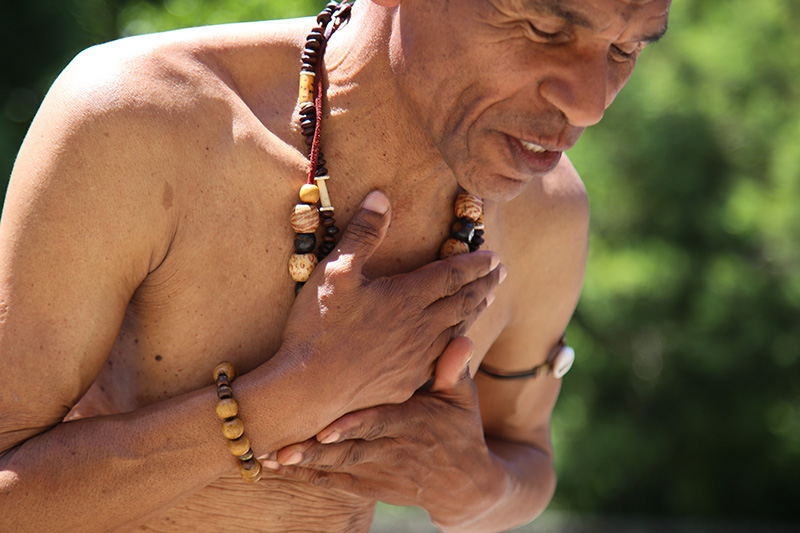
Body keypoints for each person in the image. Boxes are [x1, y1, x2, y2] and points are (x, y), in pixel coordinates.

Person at [0, 0, 670, 531]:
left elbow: (527, 456)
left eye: (626, 48)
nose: (591, 102)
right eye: (544, 24)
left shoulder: (544, 211)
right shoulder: (142, 118)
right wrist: (292, 397)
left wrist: (476, 487)